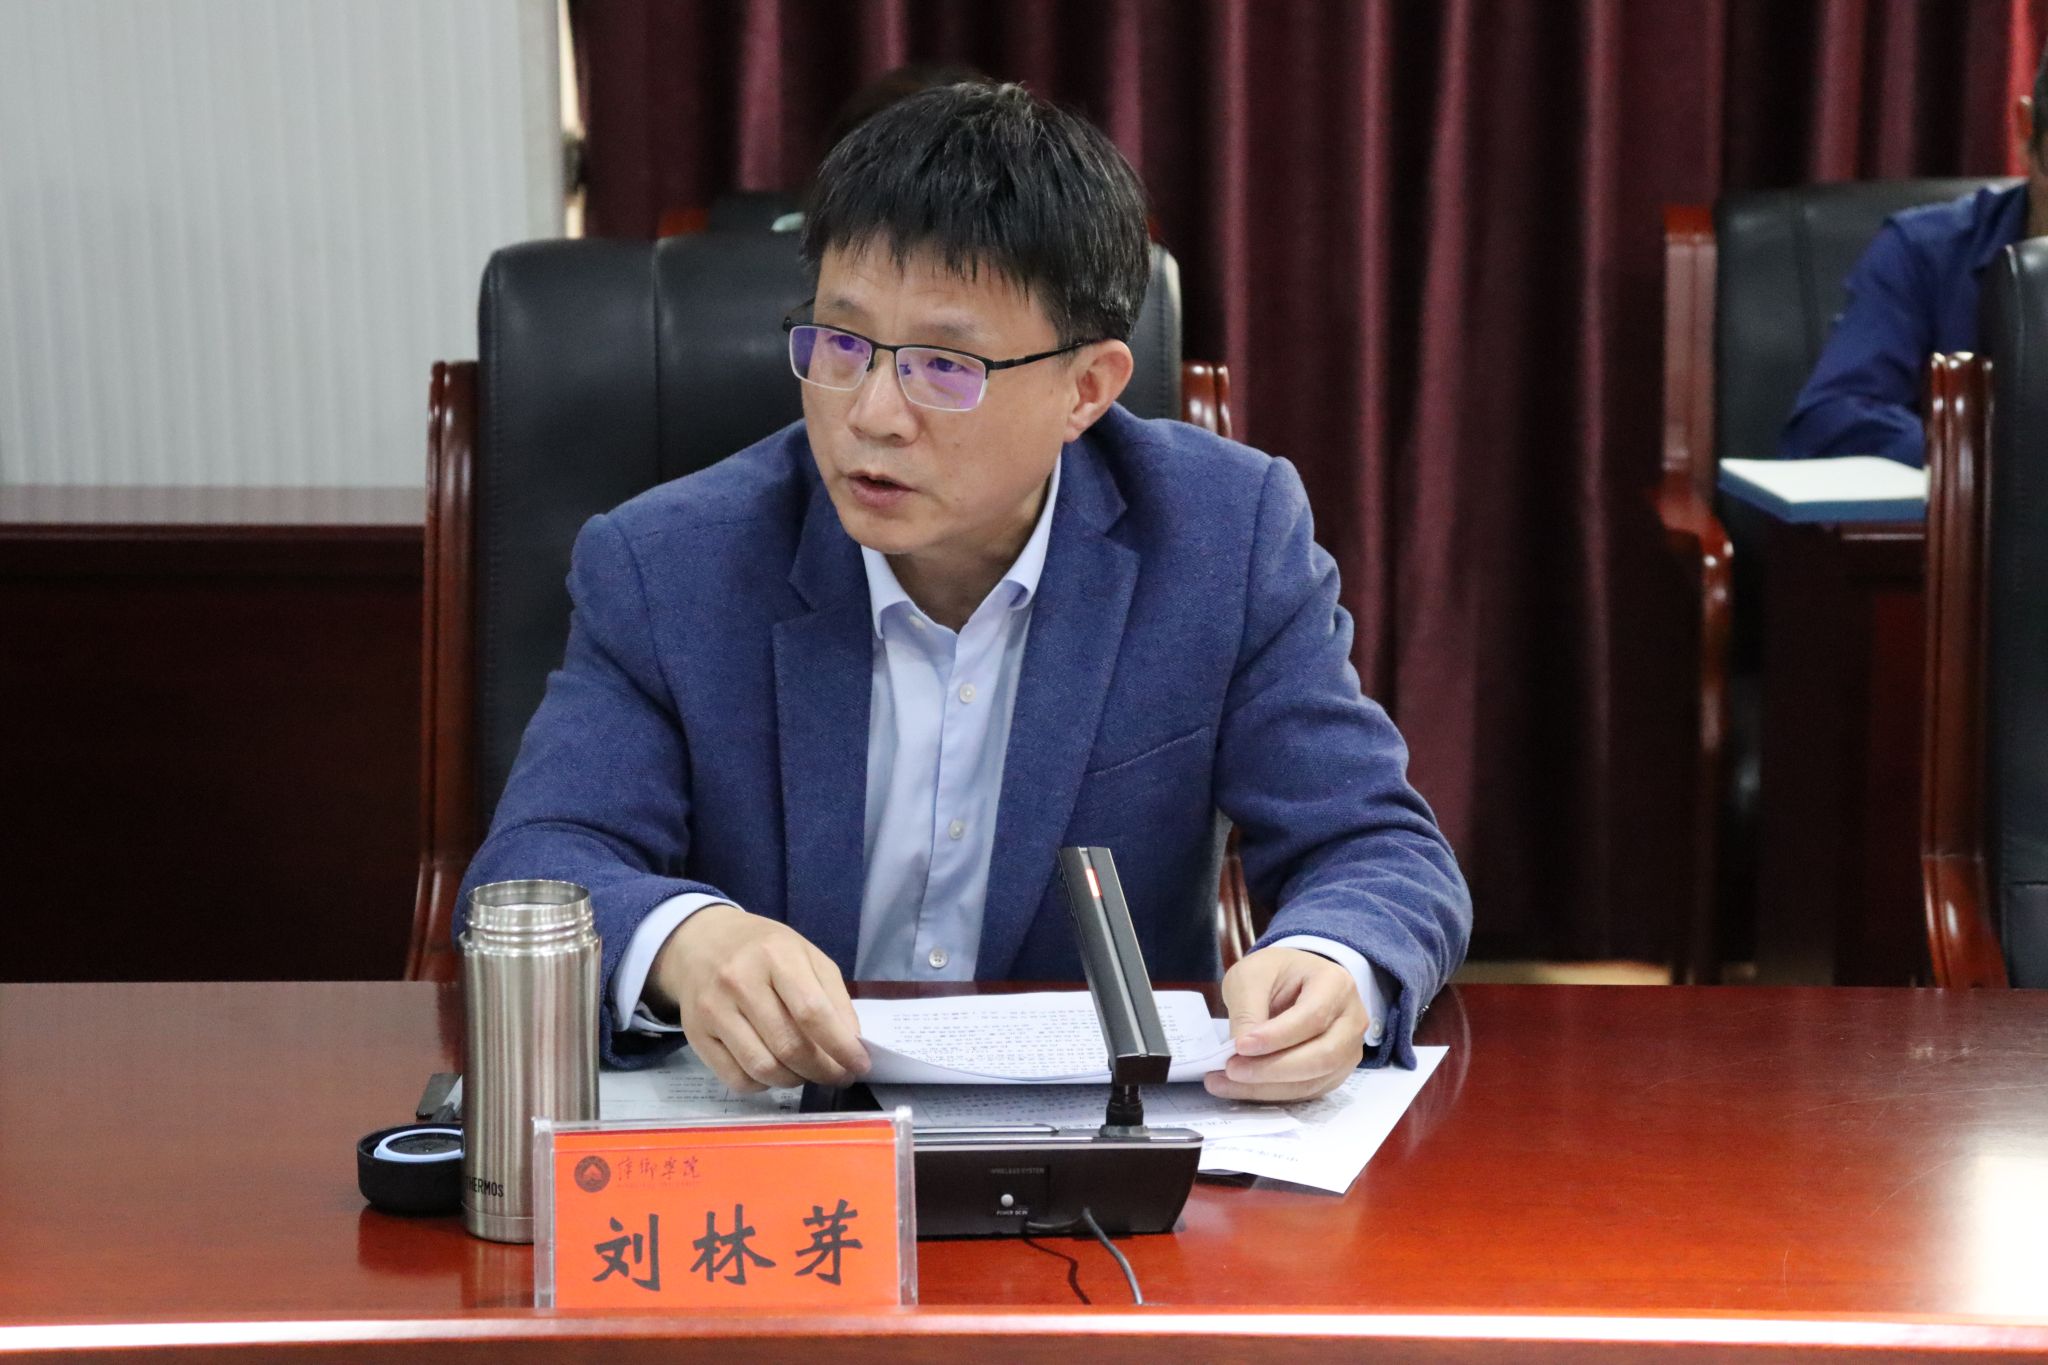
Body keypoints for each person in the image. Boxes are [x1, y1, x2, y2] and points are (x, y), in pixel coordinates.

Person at [457, 82, 1470, 1103]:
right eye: (841, 344)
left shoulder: (1219, 539)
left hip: (1096, 1148)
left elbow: (1375, 846)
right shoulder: (669, 563)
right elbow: (535, 867)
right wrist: (686, 940)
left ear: (1086, 389)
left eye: (943, 366)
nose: (872, 414)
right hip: (785, 1134)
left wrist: (1334, 966)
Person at [1779, 49, 2048, 466]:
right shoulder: (1925, 250)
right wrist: (1990, 462)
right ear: (2025, 129)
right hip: (1964, 504)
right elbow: (1828, 422)